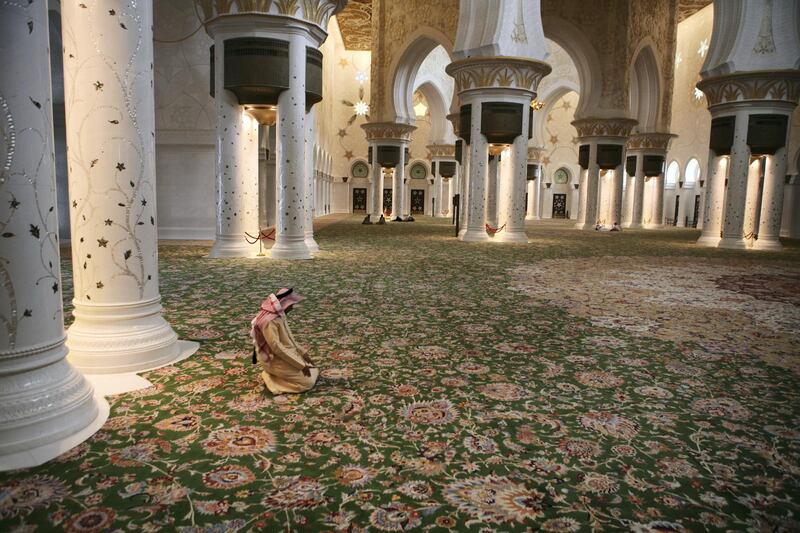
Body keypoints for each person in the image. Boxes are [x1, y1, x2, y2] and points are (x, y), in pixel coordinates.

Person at [250, 288, 319, 394]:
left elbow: (289, 340)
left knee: (313, 370)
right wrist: (301, 365)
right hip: (274, 360)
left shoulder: (279, 315)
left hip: (285, 355)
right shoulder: (270, 321)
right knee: (307, 383)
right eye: (291, 304)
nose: (292, 307)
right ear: (284, 304)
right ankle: (271, 378)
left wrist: (303, 354)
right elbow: (277, 348)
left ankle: (279, 374)